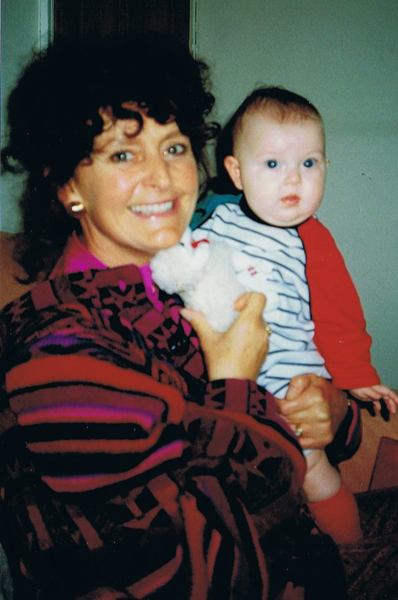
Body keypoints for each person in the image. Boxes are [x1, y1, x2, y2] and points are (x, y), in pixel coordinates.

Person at [0, 38, 358, 599]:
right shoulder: (57, 354)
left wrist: (333, 411)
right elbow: (188, 575)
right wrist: (235, 382)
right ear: (67, 185)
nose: (163, 178)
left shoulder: (193, 278)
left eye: (174, 147)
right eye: (124, 155)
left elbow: (307, 406)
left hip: (312, 553)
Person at [192, 87, 398, 544]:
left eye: (309, 163)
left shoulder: (313, 239)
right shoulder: (216, 220)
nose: (293, 179)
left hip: (292, 384)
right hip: (225, 383)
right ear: (237, 172)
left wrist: (356, 375)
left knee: (314, 472)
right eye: (272, 164)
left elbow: (340, 313)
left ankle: (351, 549)